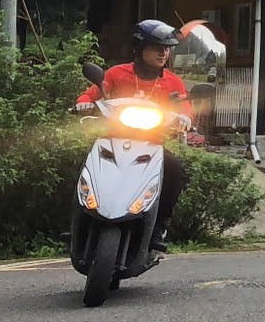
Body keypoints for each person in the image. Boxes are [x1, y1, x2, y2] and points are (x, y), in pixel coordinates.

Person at [75, 19, 191, 253]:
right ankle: (80, 223)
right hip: (113, 142)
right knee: (83, 168)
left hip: (151, 146)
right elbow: (91, 95)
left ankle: (158, 227)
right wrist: (84, 105)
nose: (164, 53)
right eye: (157, 47)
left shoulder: (172, 81)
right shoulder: (117, 74)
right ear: (139, 48)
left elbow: (184, 107)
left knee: (175, 171)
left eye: (167, 48)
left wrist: (185, 119)